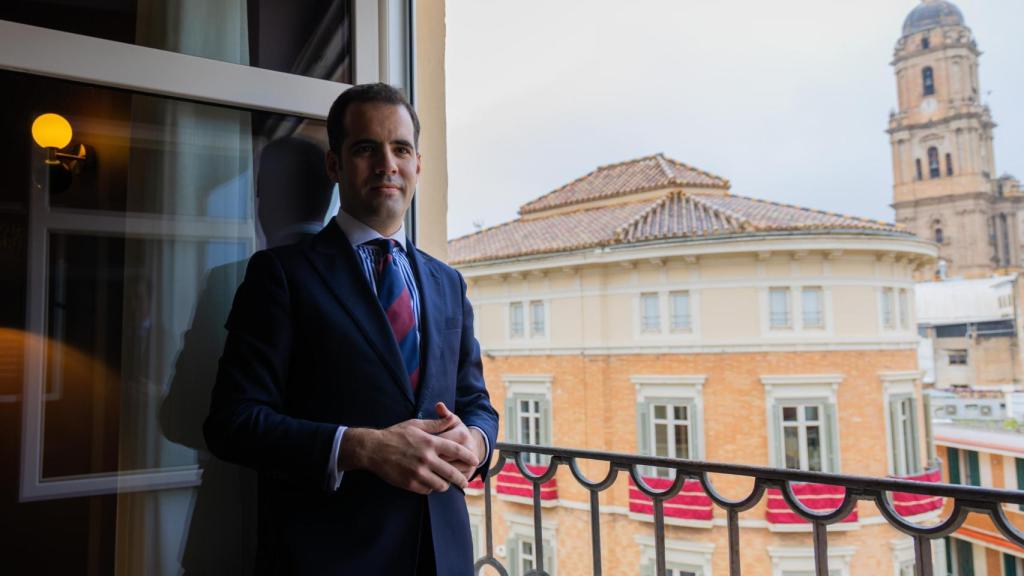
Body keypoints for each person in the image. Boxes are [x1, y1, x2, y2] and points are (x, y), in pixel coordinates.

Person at [204, 83, 498, 575]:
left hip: (444, 556)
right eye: (366, 149)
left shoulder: (448, 283)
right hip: (330, 557)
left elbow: (477, 404)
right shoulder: (280, 275)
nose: (388, 164)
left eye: (401, 149)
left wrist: (477, 442)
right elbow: (231, 423)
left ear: (418, 165)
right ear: (335, 166)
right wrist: (363, 447)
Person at [161, 136, 334, 575]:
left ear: (264, 199)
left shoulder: (230, 281)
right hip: (335, 533)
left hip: (233, 522)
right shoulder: (362, 282)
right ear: (329, 196)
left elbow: (179, 417)